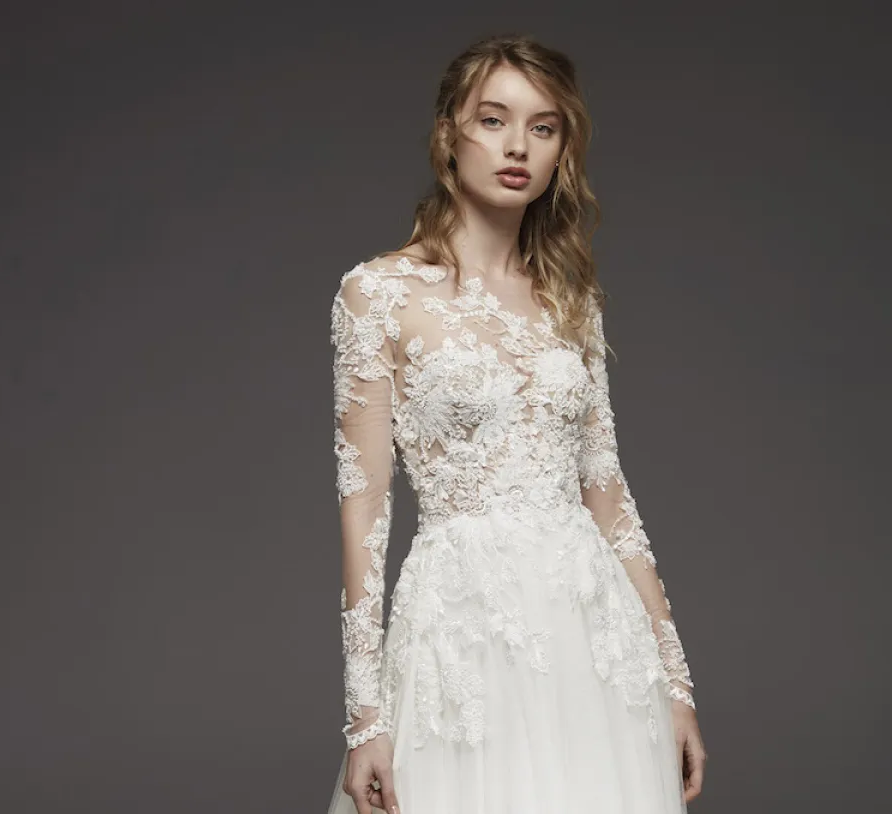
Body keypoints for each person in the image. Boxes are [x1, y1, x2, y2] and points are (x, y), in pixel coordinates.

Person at [327, 34, 705, 814]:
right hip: (463, 632)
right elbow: (364, 508)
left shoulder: (571, 298)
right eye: (493, 119)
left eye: (543, 127)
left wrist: (675, 682)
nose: (517, 146)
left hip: (594, 637)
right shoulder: (378, 294)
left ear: (563, 149)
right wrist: (365, 715)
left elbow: (607, 495)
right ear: (449, 134)